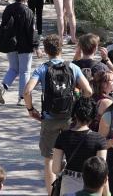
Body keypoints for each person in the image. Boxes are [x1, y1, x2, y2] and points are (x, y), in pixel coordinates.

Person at [24, 34, 93, 195]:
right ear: (61, 48)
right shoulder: (73, 68)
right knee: (72, 156)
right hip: (70, 119)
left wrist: (30, 110)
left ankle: (51, 193)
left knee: (49, 159)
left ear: (46, 51)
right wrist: (76, 101)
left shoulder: (42, 68)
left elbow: (27, 91)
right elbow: (88, 91)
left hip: (49, 118)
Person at [52, 97, 108, 195]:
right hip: (92, 186)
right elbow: (101, 170)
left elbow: (56, 169)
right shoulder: (99, 139)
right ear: (93, 115)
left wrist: (64, 164)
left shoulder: (63, 136)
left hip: (68, 183)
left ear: (75, 114)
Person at [0, 0, 38, 107]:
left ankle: (3, 86)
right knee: (25, 71)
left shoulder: (8, 9)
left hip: (11, 44)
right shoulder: (28, 11)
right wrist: (36, 46)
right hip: (25, 46)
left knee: (13, 68)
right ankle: (21, 98)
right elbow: (32, 31)